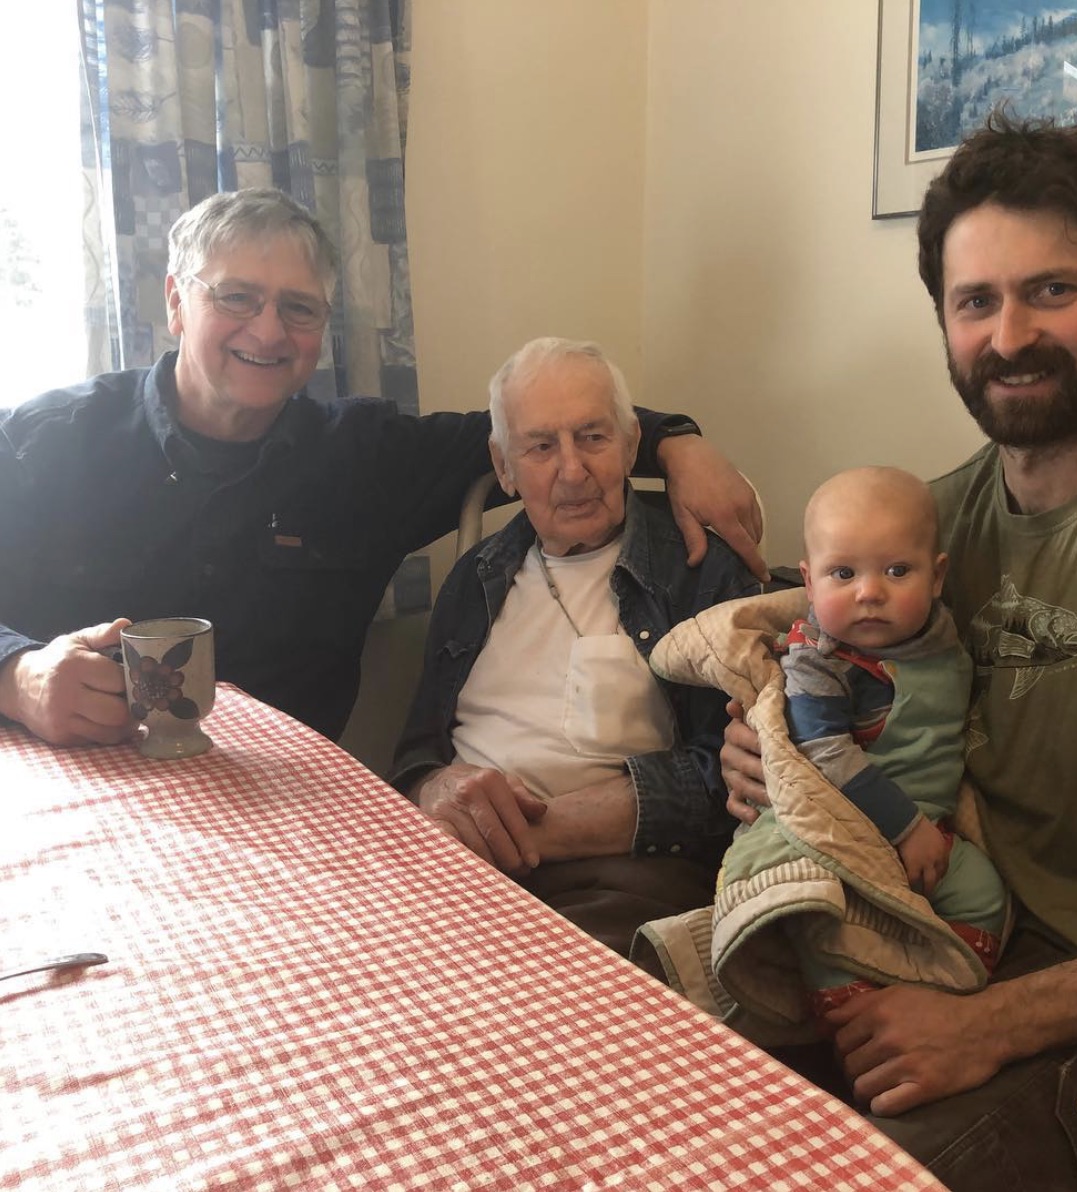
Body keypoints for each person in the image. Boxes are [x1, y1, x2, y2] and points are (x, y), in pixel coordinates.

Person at [721, 113, 1077, 1190]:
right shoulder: (915, 537)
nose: (1009, 335)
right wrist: (758, 758)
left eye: (1050, 290)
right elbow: (802, 683)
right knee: (650, 1076)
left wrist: (996, 1024)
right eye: (975, 301)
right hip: (907, 928)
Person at [0, 188, 765, 748]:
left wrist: (677, 442)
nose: (268, 330)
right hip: (68, 780)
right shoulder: (52, 438)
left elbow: (540, 429)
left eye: (298, 308)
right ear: (176, 302)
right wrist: (18, 676)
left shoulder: (362, 455)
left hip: (286, 808)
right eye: (237, 297)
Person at [390, 337, 760, 956]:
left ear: (632, 444)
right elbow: (416, 753)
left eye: (593, 437)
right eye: (540, 447)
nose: (571, 471)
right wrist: (435, 790)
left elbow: (737, 779)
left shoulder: (697, 570)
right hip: (461, 865)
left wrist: (545, 832)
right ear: (503, 467)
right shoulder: (475, 577)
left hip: (620, 878)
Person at [774, 466, 1006, 1020]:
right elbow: (824, 752)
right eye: (843, 573)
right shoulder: (819, 661)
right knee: (821, 913)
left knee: (985, 896)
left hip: (933, 826)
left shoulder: (939, 636)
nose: (870, 592)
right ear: (809, 583)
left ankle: (937, 990)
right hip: (844, 828)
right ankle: (846, 1010)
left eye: (897, 570)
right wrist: (905, 829)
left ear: (937, 576)